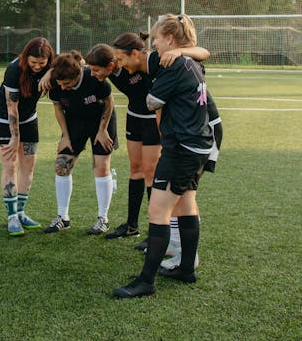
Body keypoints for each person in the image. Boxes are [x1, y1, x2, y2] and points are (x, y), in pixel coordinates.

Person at [113, 15, 215, 297]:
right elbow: (200, 52)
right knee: (186, 205)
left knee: (158, 211)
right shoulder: (188, 60)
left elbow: (152, 102)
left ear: (170, 39)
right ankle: (186, 268)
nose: (153, 43)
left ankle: (146, 281)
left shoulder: (175, 64)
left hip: (182, 148)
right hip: (198, 145)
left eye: (156, 38)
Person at [85, 37, 209, 246]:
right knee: (135, 169)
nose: (93, 74)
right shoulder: (111, 66)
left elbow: (202, 53)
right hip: (134, 117)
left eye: (96, 70)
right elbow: (77, 63)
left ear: (112, 64)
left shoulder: (138, 63)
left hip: (154, 119)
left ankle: (157, 231)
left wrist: (178, 52)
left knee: (151, 172)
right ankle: (131, 226)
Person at [43, 50, 118, 235]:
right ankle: (63, 217)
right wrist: (65, 137)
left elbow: (109, 102)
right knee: (62, 165)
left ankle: (103, 218)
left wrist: (102, 131)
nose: (63, 87)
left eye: (67, 83)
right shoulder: (56, 82)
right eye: (60, 84)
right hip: (75, 121)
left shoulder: (93, 79)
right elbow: (58, 108)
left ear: (78, 75)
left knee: (101, 167)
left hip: (100, 119)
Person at [0, 37, 54, 236]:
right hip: (4, 120)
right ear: (26, 57)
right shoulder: (13, 70)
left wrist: (50, 72)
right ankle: (11, 216)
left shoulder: (52, 64)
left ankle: (21, 212)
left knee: (29, 165)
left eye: (41, 64)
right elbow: (12, 106)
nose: (37, 67)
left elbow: (79, 61)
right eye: (33, 62)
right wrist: (14, 137)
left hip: (29, 119)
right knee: (10, 165)